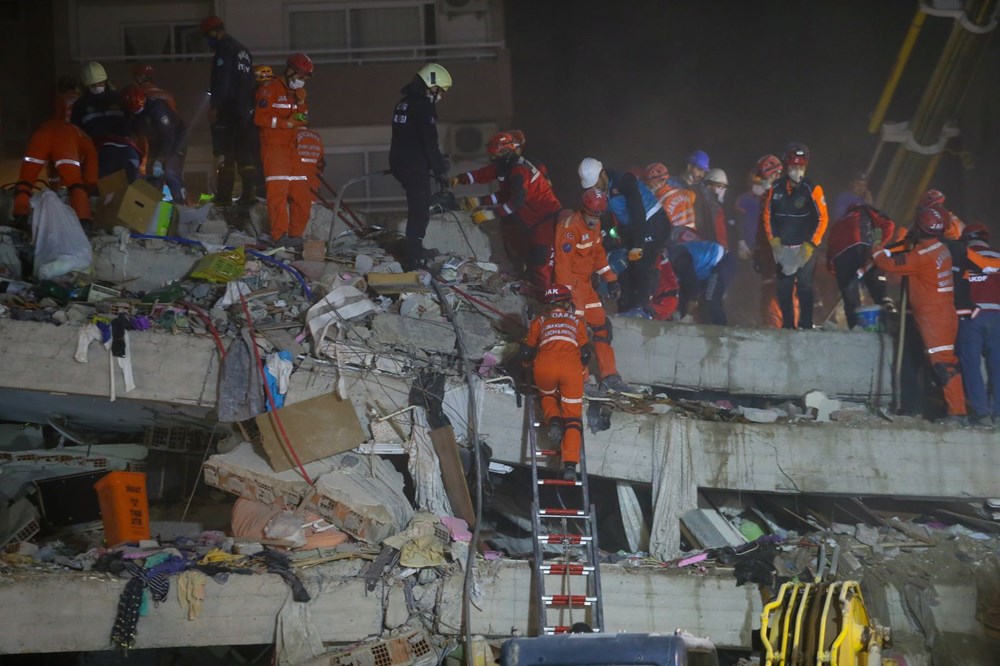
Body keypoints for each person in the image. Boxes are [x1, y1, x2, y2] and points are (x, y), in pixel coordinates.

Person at [873, 205, 966, 424]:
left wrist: (876, 248)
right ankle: (953, 409)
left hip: (933, 317)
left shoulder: (922, 256)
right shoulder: (940, 250)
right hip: (941, 313)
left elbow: (888, 263)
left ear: (920, 228)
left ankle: (958, 412)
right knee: (943, 363)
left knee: (943, 364)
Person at [454, 132, 561, 290]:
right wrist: (469, 188)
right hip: (533, 223)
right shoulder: (510, 167)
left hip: (545, 221)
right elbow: (494, 182)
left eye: (495, 155)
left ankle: (550, 301)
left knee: (541, 264)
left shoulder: (518, 171)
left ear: (504, 153)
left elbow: (515, 201)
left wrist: (490, 214)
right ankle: (537, 293)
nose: (493, 159)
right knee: (531, 260)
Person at [553, 187, 630, 392]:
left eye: (598, 215)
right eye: (591, 214)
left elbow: (597, 253)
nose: (594, 219)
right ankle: (580, 379)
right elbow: (562, 265)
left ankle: (609, 376)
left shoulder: (594, 225)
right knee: (576, 331)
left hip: (586, 285)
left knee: (602, 326)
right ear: (583, 208)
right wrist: (566, 295)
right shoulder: (569, 228)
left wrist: (610, 278)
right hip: (572, 285)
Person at [520, 284, 591, 480]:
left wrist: (527, 364)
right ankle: (569, 465)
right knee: (573, 418)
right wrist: (583, 369)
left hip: (544, 367)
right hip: (570, 369)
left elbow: (525, 351)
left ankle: (553, 420)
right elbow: (585, 354)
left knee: (548, 395)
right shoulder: (577, 321)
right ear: (567, 302)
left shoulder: (539, 321)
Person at [579, 157, 669, 313]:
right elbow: (602, 218)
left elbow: (637, 210)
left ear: (603, 174)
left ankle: (643, 308)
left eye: (596, 184)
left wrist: (638, 244)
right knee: (624, 266)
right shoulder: (604, 192)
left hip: (653, 222)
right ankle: (627, 308)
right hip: (633, 227)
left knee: (641, 263)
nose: (596, 188)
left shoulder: (624, 181)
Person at [389, 63, 452, 271]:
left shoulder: (404, 103)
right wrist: (440, 170)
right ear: (432, 86)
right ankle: (413, 258)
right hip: (413, 165)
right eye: (440, 90)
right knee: (420, 210)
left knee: (418, 206)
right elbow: (429, 141)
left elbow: (409, 137)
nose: (440, 95)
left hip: (400, 161)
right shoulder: (424, 105)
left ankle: (414, 249)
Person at [761, 142, 829, 329]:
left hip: (805, 247)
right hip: (783, 247)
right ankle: (788, 326)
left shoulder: (812, 189)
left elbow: (823, 218)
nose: (796, 171)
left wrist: (811, 244)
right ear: (786, 167)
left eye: (800, 167)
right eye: (793, 167)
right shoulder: (776, 189)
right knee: (784, 289)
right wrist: (773, 239)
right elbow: (768, 215)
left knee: (805, 286)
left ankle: (806, 324)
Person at [13, 87, 98, 228]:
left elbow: (54, 167)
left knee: (26, 181)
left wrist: (55, 190)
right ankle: (84, 222)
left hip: (39, 136)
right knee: (75, 184)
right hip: (65, 139)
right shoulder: (85, 139)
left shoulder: (51, 123)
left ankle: (20, 216)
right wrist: (88, 189)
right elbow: (90, 176)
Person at [254, 53, 314, 249]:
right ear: (289, 71)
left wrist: (302, 103)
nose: (302, 81)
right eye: (300, 76)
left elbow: (302, 119)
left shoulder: (296, 93)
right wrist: (285, 123)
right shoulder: (269, 90)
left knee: (302, 194)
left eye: (305, 78)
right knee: (278, 193)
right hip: (274, 148)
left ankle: (296, 236)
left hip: (291, 148)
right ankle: (279, 236)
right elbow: (260, 119)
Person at [201, 15, 256, 205]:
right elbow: (250, 82)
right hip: (243, 110)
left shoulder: (224, 49)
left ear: (213, 33)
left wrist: (215, 106)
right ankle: (249, 194)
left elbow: (222, 81)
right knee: (243, 152)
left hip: (228, 108)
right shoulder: (244, 51)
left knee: (225, 152)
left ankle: (224, 196)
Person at [953, 224, 1000, 427]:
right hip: (997, 317)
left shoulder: (962, 256)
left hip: (971, 317)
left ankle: (981, 415)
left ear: (966, 239)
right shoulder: (997, 256)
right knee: (998, 367)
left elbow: (953, 287)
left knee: (971, 366)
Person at [826, 204, 896, 329]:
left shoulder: (837, 224)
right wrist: (878, 246)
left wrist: (834, 270)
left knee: (850, 297)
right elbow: (888, 224)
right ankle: (888, 315)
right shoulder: (864, 209)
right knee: (876, 285)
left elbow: (830, 250)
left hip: (839, 257)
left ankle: (856, 329)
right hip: (861, 247)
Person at [71, 61, 141, 181]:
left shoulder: (120, 98)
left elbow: (136, 121)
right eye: (93, 85)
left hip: (124, 148)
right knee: (107, 190)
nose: (97, 87)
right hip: (101, 152)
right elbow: (76, 133)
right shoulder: (80, 105)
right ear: (85, 86)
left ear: (106, 81)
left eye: (100, 83)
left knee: (130, 189)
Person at [121, 85, 187, 204]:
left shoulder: (158, 108)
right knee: (152, 173)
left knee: (169, 171)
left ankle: (181, 203)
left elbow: (168, 137)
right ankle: (153, 204)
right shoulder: (131, 114)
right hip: (155, 142)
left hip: (176, 139)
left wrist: (160, 160)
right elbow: (135, 136)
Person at [669, 240, 734, 325]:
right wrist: (678, 312)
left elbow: (694, 292)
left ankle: (722, 334)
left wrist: (688, 316)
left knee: (711, 299)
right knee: (692, 300)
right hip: (703, 271)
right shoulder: (671, 265)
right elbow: (684, 290)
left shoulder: (680, 262)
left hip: (721, 261)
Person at [288, 126, 324, 243]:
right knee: (304, 207)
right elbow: (321, 161)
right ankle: (296, 235)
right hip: (312, 178)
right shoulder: (316, 136)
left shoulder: (290, 134)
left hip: (295, 174)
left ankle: (291, 236)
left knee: (291, 206)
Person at [644, 162, 697, 241]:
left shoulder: (660, 202)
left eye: (649, 185)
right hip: (693, 235)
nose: (649, 187)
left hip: (676, 240)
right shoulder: (686, 193)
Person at [696, 168, 729, 246]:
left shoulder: (719, 206)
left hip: (720, 246)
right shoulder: (700, 201)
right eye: (718, 186)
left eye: (723, 187)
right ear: (709, 185)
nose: (721, 189)